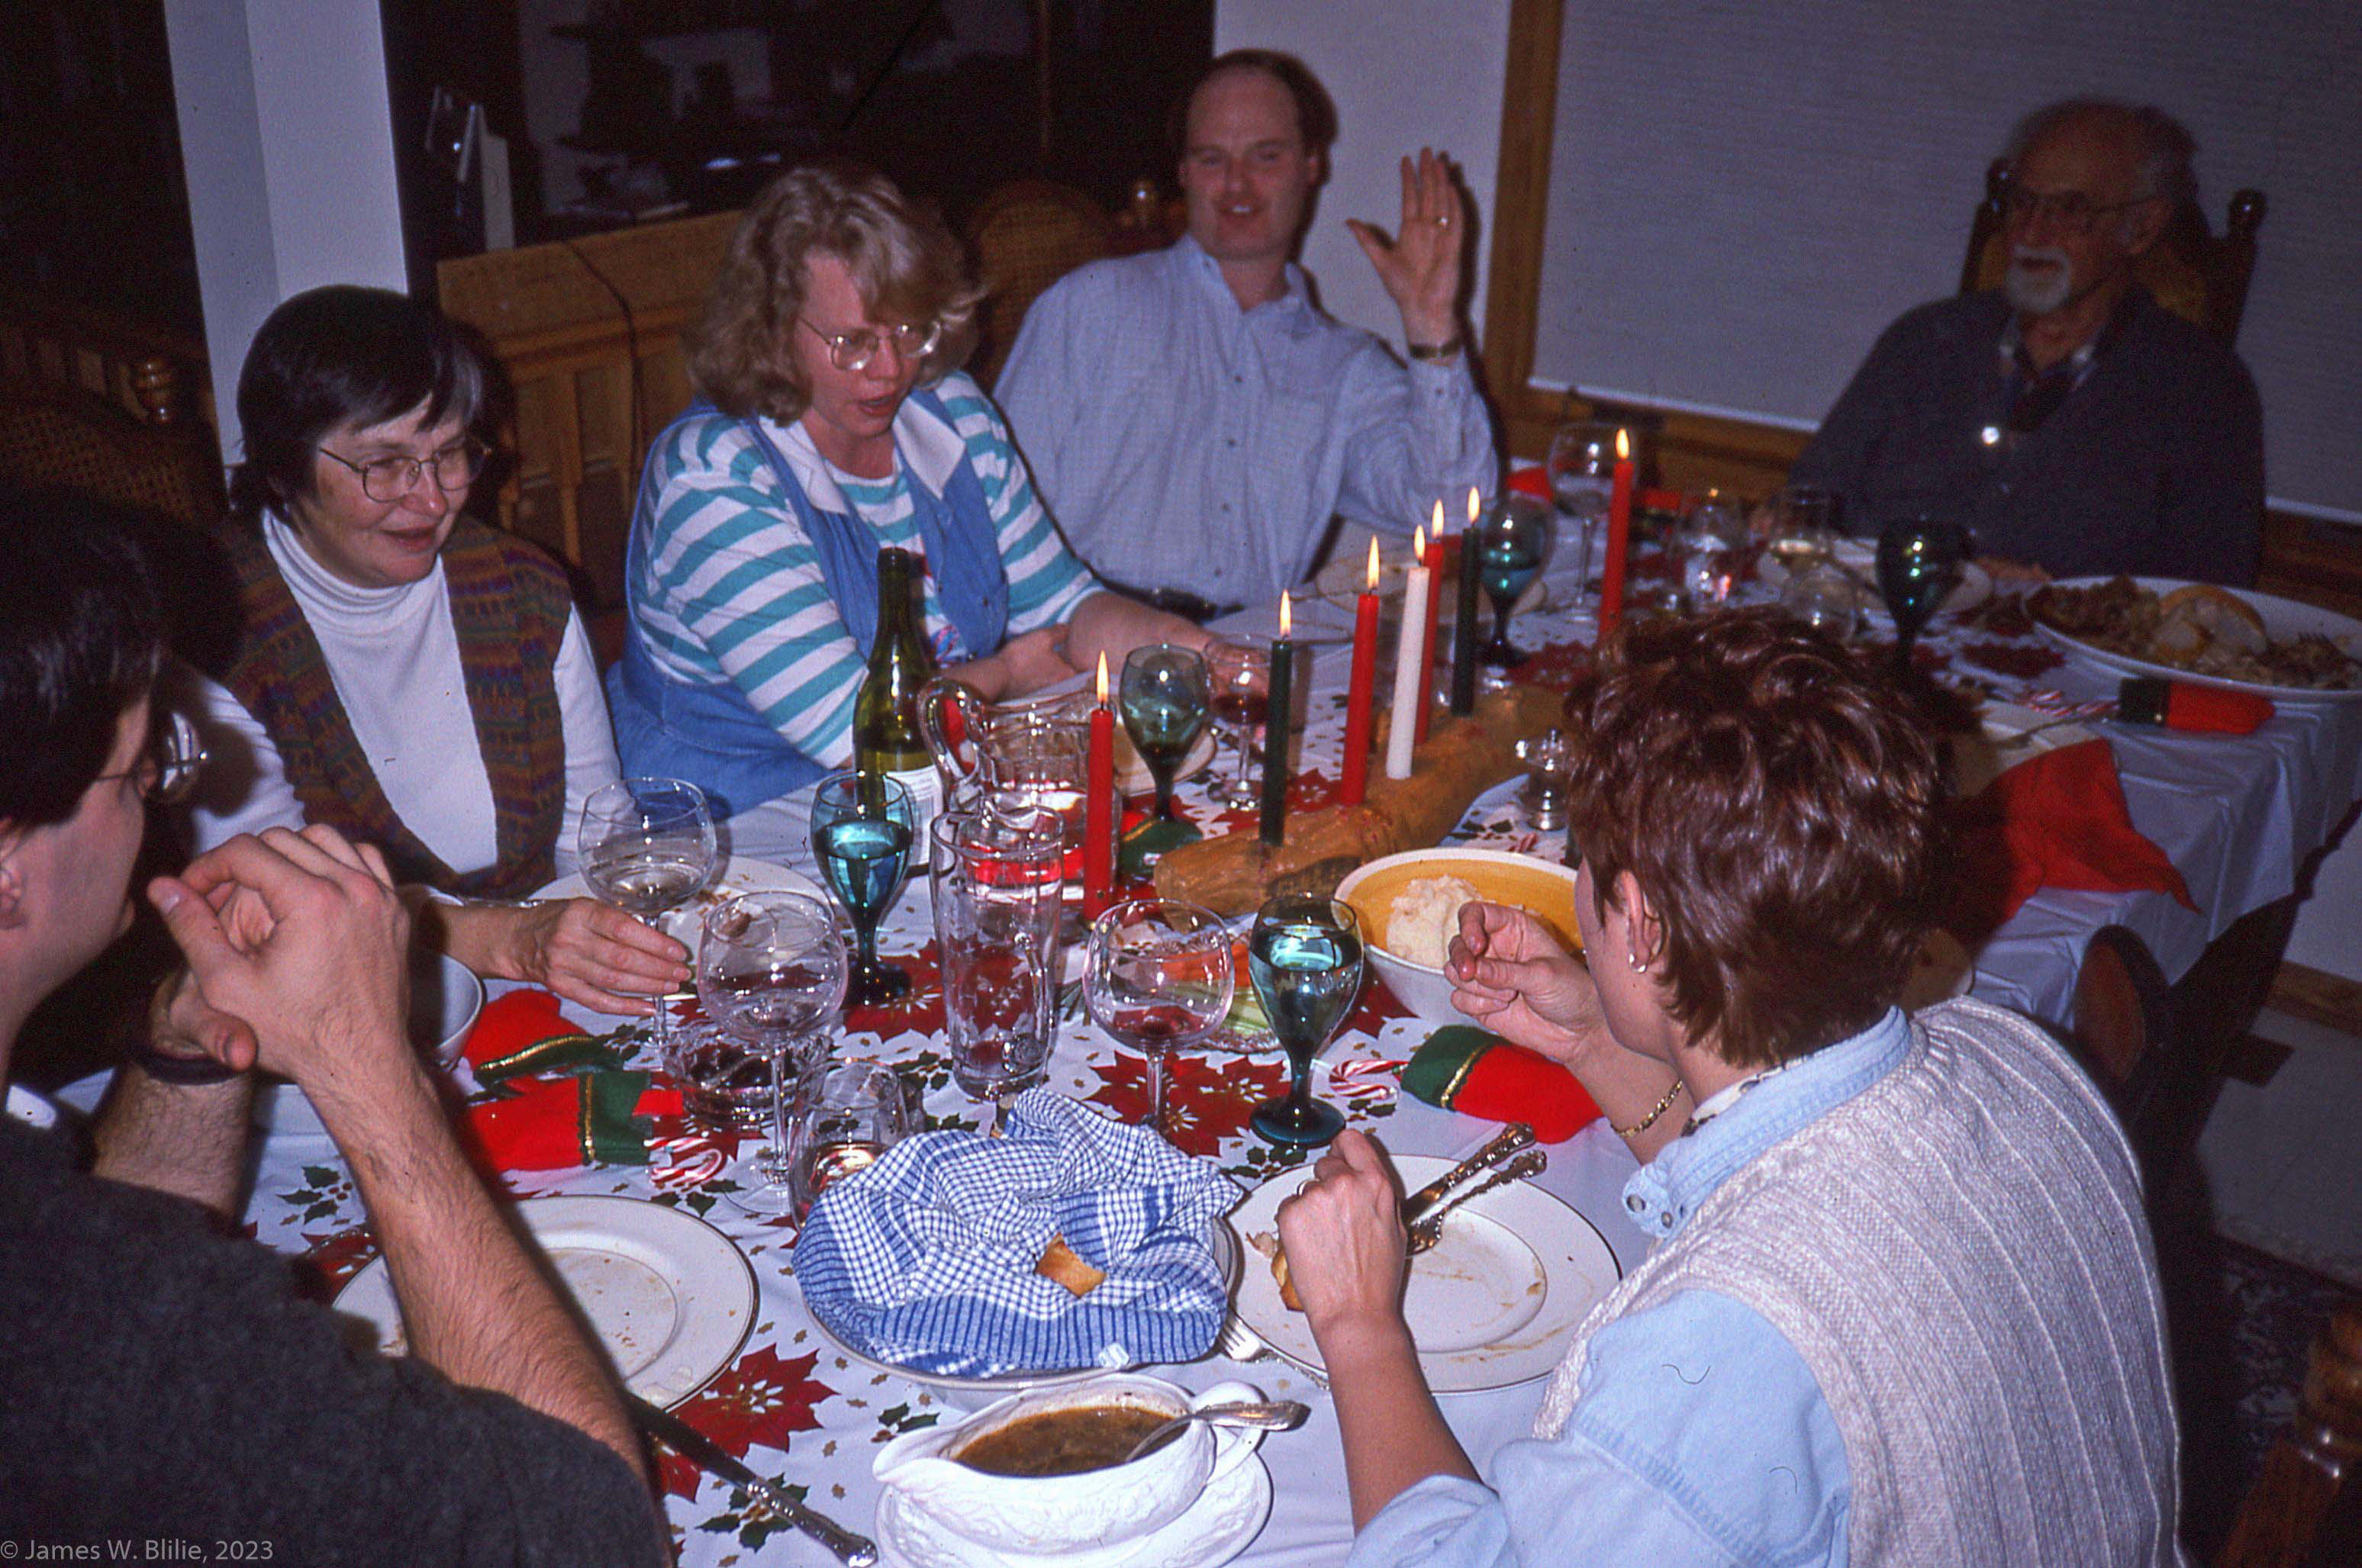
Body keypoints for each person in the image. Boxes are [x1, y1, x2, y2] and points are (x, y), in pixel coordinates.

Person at [1277, 608, 2181, 1564]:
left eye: (1584, 867)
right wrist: (1596, 1042)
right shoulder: (2015, 1055)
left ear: (1640, 925)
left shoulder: (1715, 1355)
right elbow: (1800, 1201)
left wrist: (1358, 1324)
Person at [0, 488, 664, 1561]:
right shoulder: (67, 1313)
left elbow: (113, 1264)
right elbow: (587, 1535)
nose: (160, 800)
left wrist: (190, 1040)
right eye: (136, 775)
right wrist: (368, 1062)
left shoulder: (66, 1274)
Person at [607, 159, 1206, 858]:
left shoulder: (950, 412)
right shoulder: (712, 474)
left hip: (922, 798)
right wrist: (1006, 674)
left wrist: (1190, 653)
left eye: (908, 330)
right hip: (728, 840)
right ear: (772, 330)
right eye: (853, 342)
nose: (889, 369)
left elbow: (1065, 608)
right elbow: (857, 732)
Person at [181, 285, 685, 1017]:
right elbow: (278, 917)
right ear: (284, 468)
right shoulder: (215, 632)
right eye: (383, 465)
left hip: (546, 993)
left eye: (449, 453)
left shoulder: (522, 592)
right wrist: (510, 939)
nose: (431, 499)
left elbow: (592, 839)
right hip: (334, 1011)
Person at [993, 49, 1497, 618]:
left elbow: (1454, 512)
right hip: (1083, 640)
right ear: (1183, 173)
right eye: (1212, 159)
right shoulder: (1089, 306)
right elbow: (993, 515)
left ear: (1311, 165)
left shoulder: (1346, 368)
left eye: (1266, 156)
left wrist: (1431, 324)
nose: (1237, 184)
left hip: (1242, 650)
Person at [1788, 99, 2264, 587]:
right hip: (1874, 618)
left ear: (2140, 228)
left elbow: (2207, 591)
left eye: (2072, 209)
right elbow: (1811, 498)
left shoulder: (2205, 390)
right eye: (2022, 201)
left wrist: (2059, 598)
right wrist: (1786, 524)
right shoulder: (1925, 339)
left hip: (2056, 634)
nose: (2033, 231)